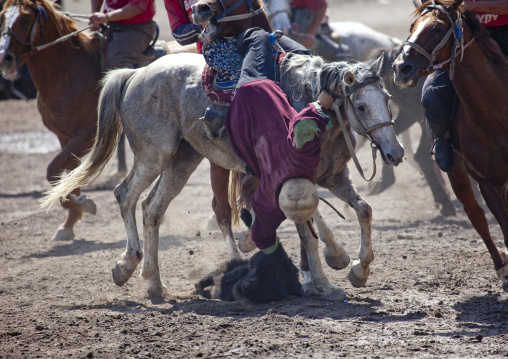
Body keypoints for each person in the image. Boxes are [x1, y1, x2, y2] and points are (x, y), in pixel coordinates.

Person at [420, 0, 508, 172]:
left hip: (504, 32)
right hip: (461, 36)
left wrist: (464, 4)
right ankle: (443, 139)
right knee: (433, 94)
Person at [88, 0, 157, 174]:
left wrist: (105, 17)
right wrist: (96, 17)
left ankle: (124, 114)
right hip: (110, 26)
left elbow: (136, 7)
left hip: (136, 30)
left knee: (116, 68)